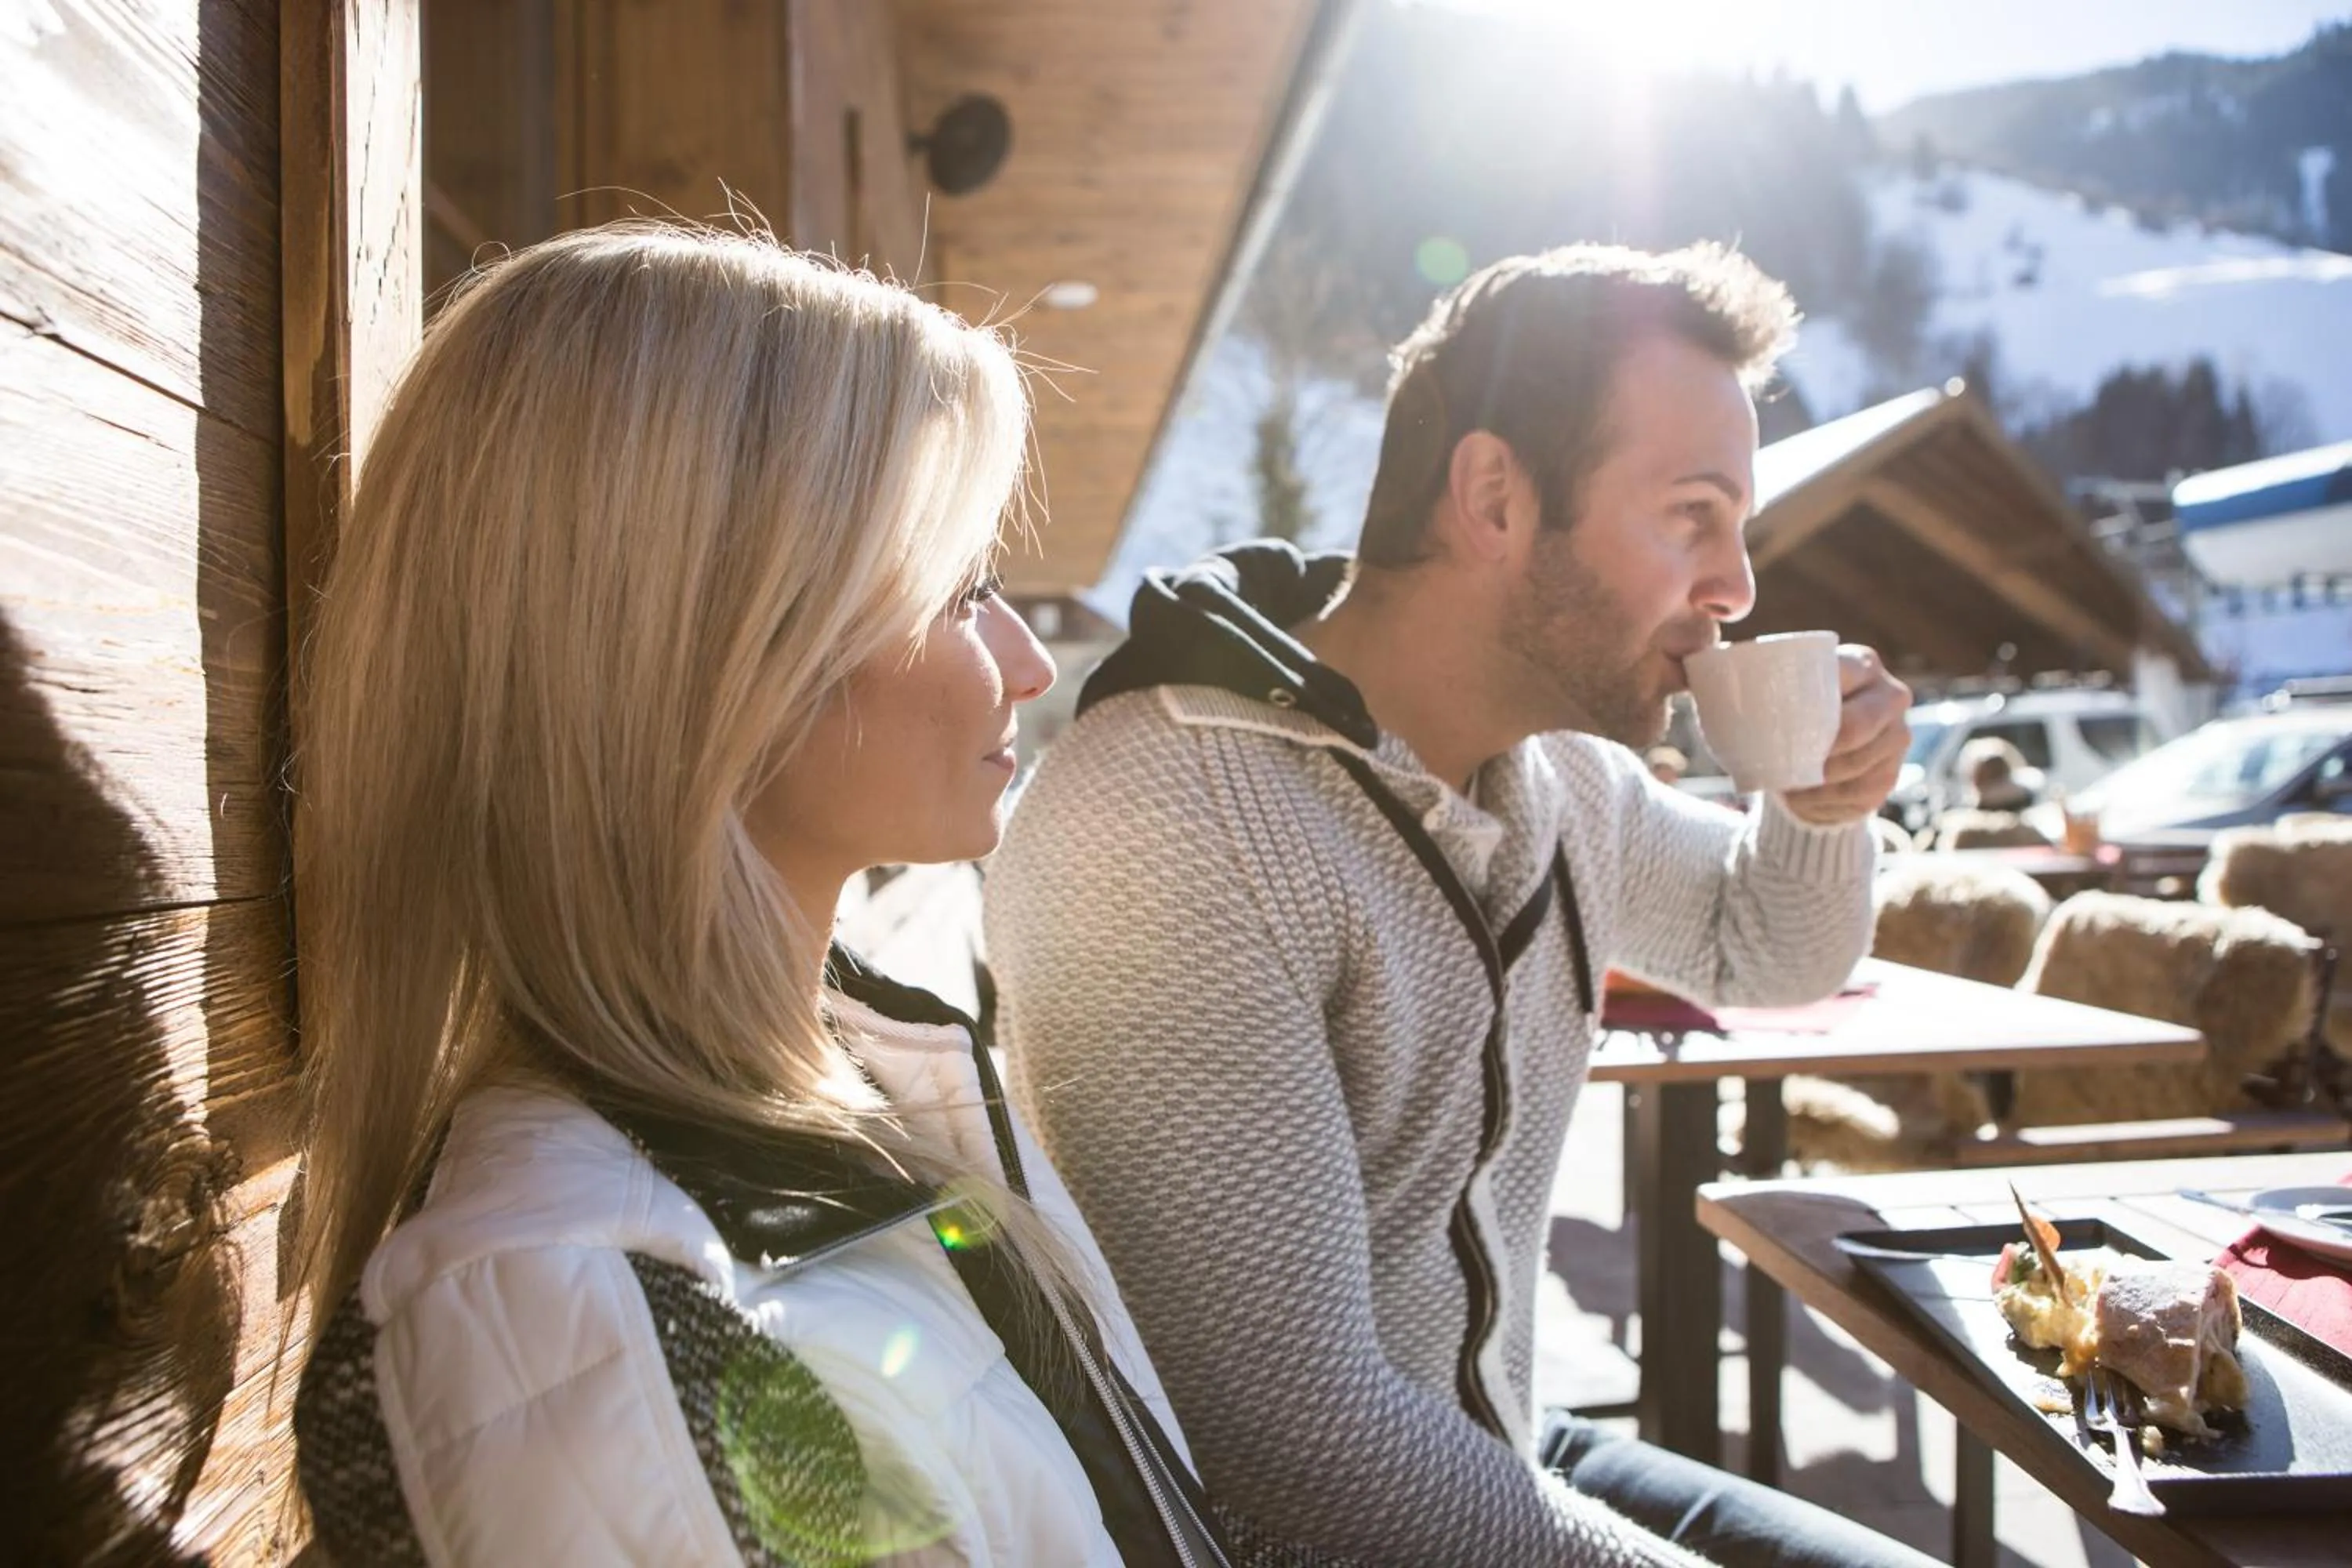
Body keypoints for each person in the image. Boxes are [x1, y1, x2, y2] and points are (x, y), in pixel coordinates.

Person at [286, 225, 1254, 1565]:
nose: (1029, 665)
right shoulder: (599, 1324)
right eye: (964, 588)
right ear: (720, 649)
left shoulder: (852, 1084)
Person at [985, 245, 1926, 1566]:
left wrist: (1820, 807)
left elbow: (1762, 943)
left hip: (1506, 1451)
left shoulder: (1565, 781)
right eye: (1693, 515)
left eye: (1739, 528)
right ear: (1494, 495)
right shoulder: (1170, 818)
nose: (1738, 588)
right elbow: (1293, 1444)